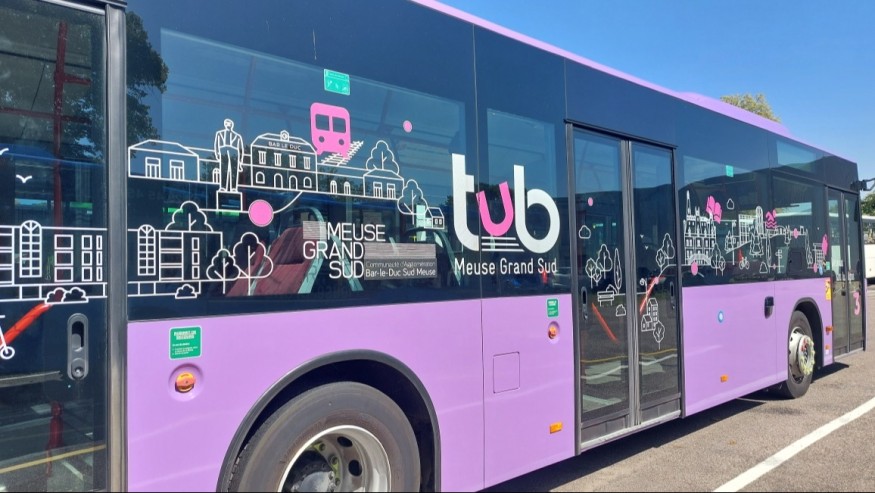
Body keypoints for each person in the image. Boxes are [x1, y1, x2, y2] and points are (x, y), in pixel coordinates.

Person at [214, 118, 244, 192]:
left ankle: (233, 187)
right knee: (223, 169)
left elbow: (241, 150)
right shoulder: (219, 134)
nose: (228, 125)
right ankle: (223, 187)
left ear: (232, 125)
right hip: (223, 150)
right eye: (227, 124)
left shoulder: (237, 136)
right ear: (225, 125)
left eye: (230, 124)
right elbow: (216, 145)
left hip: (234, 152)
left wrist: (240, 161)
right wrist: (217, 154)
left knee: (234, 170)